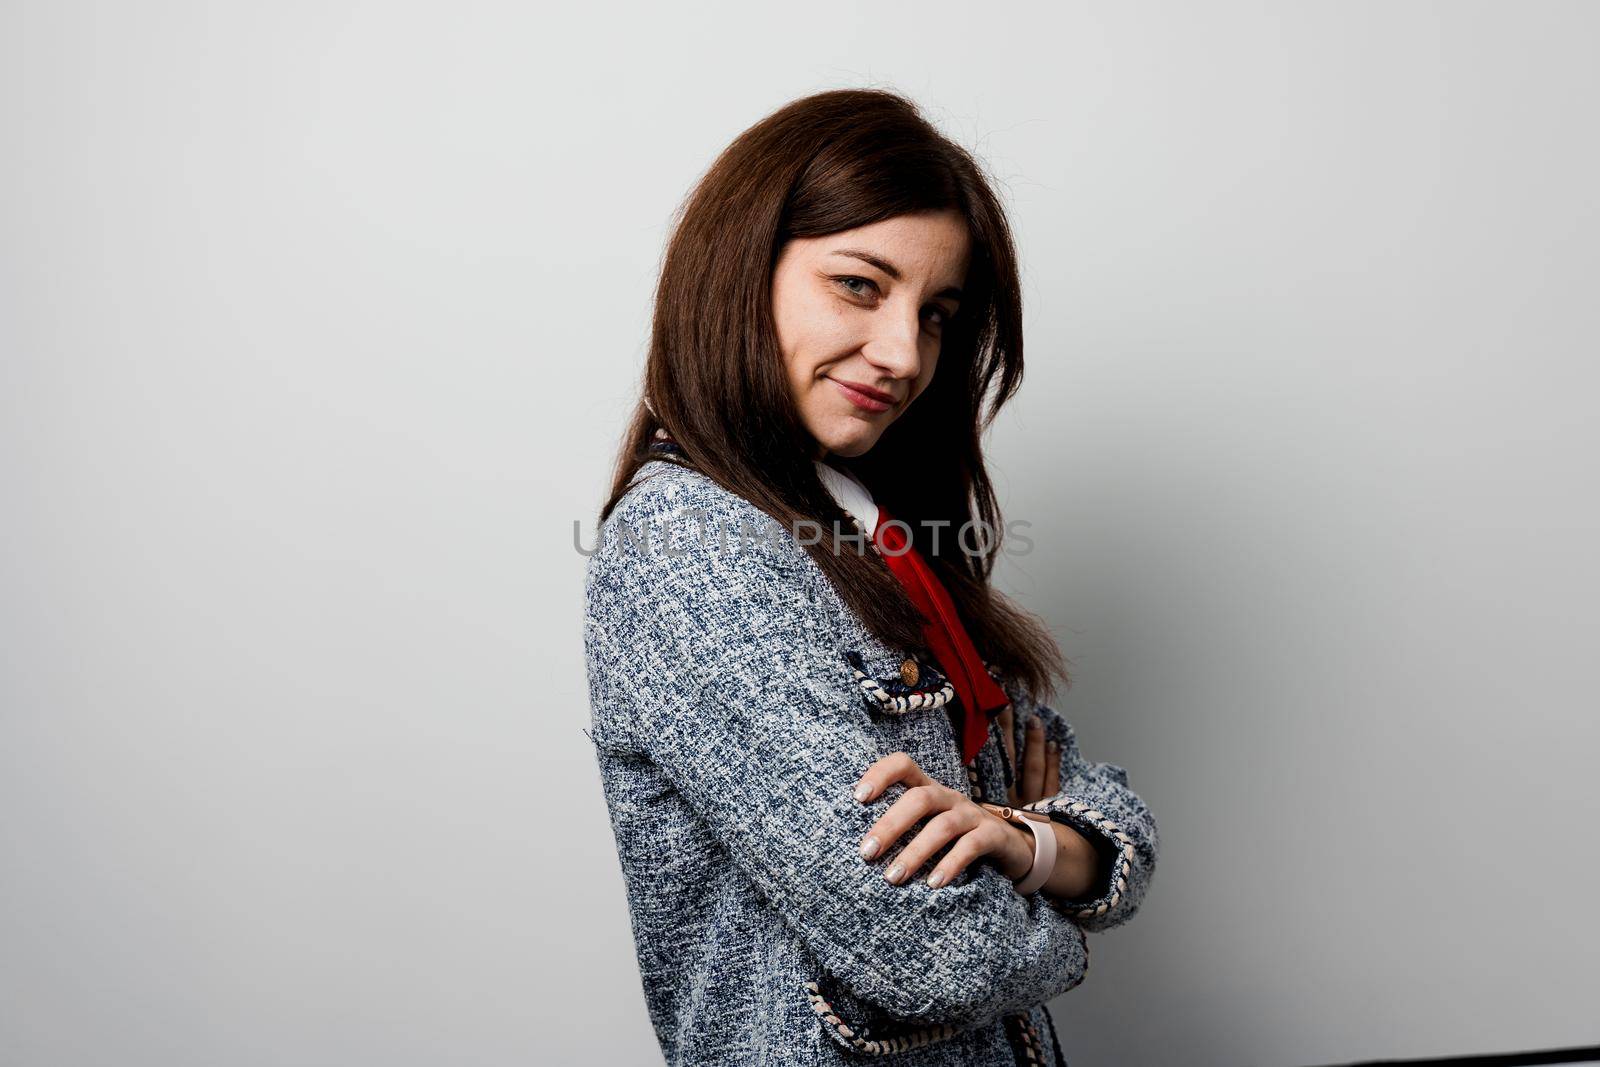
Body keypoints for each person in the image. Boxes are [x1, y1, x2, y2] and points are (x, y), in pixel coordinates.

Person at [582, 87, 1158, 1066]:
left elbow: (1096, 800)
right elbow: (929, 943)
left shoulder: (878, 534)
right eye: (858, 284)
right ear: (738, 273)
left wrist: (1026, 845)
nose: (903, 353)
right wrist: (1064, 899)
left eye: (935, 313)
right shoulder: (691, 545)